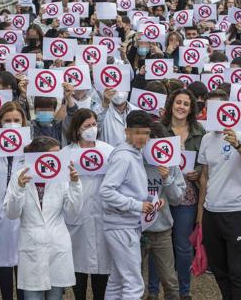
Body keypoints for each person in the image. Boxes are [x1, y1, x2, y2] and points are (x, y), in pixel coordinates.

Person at [197, 89, 241, 300]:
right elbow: (205, 176)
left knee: (238, 271)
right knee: (220, 270)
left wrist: (236, 144)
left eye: (219, 107)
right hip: (211, 211)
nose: (215, 113)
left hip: (237, 211)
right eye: (210, 108)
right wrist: (200, 214)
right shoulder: (206, 138)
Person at [4, 136, 83, 300]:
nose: (58, 159)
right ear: (37, 156)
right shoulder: (20, 175)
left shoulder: (62, 175)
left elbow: (73, 213)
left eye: (59, 154)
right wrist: (19, 188)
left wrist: (75, 184)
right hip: (31, 246)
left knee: (55, 296)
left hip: (57, 246)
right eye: (53, 154)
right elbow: (11, 214)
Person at [150, 89, 205, 300]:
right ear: (171, 104)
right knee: (156, 241)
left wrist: (197, 172)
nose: (181, 107)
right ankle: (153, 290)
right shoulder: (158, 129)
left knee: (182, 245)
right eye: (178, 102)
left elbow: (204, 161)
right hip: (161, 190)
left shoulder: (199, 131)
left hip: (187, 194)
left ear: (191, 108)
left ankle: (184, 291)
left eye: (186, 104)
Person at [100, 110, 157, 300]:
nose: (142, 137)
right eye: (138, 132)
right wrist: (137, 205)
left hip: (124, 223)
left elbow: (129, 188)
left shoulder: (133, 153)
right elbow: (106, 190)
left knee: (117, 280)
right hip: (121, 224)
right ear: (127, 132)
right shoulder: (124, 156)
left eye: (146, 133)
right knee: (134, 284)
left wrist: (150, 200)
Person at [62, 109, 114, 300]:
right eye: (86, 126)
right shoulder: (65, 154)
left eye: (94, 125)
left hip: (102, 216)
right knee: (78, 272)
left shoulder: (108, 151)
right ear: (76, 130)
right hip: (77, 219)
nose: (92, 129)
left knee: (102, 273)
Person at [141, 122, 185, 300]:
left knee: (169, 281)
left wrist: (167, 178)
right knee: (133, 280)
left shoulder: (171, 164)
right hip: (136, 230)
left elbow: (177, 199)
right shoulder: (134, 161)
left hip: (162, 231)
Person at [0, 102, 27, 300]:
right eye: (7, 121)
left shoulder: (30, 149)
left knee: (22, 264)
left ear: (23, 122)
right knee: (4, 263)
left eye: (16, 121)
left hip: (23, 214)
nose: (12, 125)